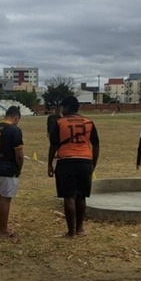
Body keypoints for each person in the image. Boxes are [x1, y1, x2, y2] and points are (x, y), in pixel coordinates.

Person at [47, 96, 99, 238]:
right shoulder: (89, 122)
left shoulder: (59, 122)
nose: (61, 110)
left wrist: (50, 164)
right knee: (81, 196)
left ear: (67, 107)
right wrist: (93, 163)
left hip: (66, 161)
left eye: (62, 107)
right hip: (85, 161)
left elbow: (53, 145)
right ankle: (80, 229)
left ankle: (71, 232)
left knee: (68, 196)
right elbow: (96, 144)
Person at [0, 106, 23, 238]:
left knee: (2, 196)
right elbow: (19, 155)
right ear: (16, 118)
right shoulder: (14, 130)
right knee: (5, 198)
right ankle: (3, 230)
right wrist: (19, 168)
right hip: (8, 168)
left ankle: (3, 226)